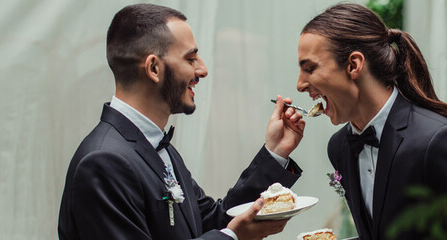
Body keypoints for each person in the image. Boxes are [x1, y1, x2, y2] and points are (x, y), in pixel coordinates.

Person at [58, 4, 306, 240]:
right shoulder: (103, 162)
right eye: (190, 59)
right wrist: (233, 237)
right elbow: (226, 230)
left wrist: (275, 152)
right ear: (154, 68)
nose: (203, 70)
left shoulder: (155, 145)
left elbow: (212, 220)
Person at [296, 3, 447, 239]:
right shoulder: (339, 147)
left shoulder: (442, 142)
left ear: (353, 65)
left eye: (309, 68)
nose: (300, 84)